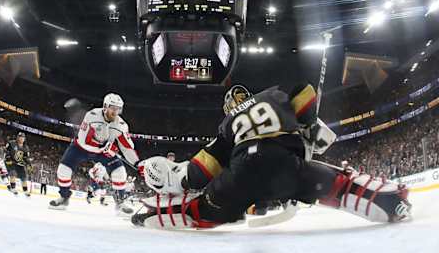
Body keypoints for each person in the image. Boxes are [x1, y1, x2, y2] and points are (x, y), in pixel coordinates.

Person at [133, 84, 412, 229]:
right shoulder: (273, 96)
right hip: (284, 167)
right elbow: (304, 90)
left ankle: (148, 213)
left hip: (240, 175)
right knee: (339, 185)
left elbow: (200, 172)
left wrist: (180, 181)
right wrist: (308, 122)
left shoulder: (227, 124)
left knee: (202, 209)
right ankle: (390, 201)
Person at [49, 93, 140, 216]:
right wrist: (103, 147)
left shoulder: (121, 126)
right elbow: (83, 140)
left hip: (103, 151)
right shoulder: (92, 116)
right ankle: (64, 197)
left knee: (120, 172)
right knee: (63, 170)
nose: (115, 111)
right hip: (81, 148)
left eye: (118, 108)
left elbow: (127, 148)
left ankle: (120, 202)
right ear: (105, 106)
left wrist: (138, 163)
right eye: (113, 107)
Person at [4, 132, 32, 197]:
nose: (22, 138)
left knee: (24, 177)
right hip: (11, 161)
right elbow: (6, 150)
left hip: (19, 163)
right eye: (20, 137)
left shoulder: (26, 148)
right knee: (12, 173)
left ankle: (25, 191)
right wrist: (7, 157)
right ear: (18, 137)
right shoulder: (12, 143)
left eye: (23, 137)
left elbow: (26, 158)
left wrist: (29, 164)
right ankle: (13, 188)